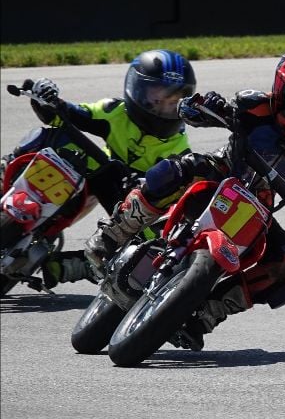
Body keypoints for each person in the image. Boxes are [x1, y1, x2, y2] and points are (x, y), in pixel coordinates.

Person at [82, 48, 285, 349]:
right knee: (177, 170)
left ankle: (205, 314)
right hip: (218, 174)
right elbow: (191, 109)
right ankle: (115, 231)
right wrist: (202, 106)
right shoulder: (254, 107)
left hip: (257, 209)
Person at [3, 51, 196, 288]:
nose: (164, 107)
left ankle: (80, 265)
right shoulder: (114, 111)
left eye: (173, 101)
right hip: (93, 174)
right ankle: (5, 174)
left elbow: (175, 204)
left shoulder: (180, 150)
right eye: (158, 98)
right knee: (51, 136)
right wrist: (47, 98)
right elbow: (67, 115)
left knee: (151, 242)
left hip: (130, 199)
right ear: (136, 90)